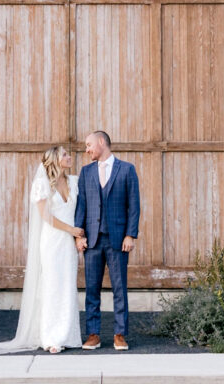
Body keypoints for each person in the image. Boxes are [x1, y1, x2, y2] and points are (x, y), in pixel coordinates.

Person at [0, 144, 83, 354]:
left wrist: (77, 236)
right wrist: (72, 230)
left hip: (68, 244)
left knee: (67, 285)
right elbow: (47, 217)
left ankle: (68, 334)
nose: (69, 157)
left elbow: (80, 211)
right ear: (55, 159)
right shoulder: (42, 184)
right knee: (52, 285)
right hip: (53, 241)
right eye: (65, 155)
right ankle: (51, 337)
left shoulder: (74, 181)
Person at [74, 130, 140, 351]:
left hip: (118, 240)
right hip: (92, 241)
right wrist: (79, 236)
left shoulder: (127, 169)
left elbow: (134, 205)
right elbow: (81, 206)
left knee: (119, 289)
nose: (87, 149)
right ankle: (93, 334)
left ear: (102, 142)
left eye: (89, 144)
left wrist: (130, 235)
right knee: (92, 289)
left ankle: (119, 334)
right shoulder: (86, 172)